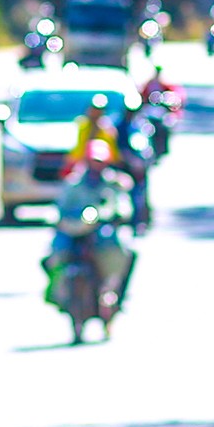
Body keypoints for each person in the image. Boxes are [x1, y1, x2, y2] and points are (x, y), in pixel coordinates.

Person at [42, 140, 137, 329]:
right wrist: (57, 219)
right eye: (93, 160)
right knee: (54, 251)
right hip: (74, 231)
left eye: (100, 161)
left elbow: (123, 205)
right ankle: (59, 292)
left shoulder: (114, 183)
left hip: (101, 231)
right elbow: (60, 206)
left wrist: (116, 214)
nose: (97, 164)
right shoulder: (74, 183)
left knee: (122, 250)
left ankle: (112, 290)